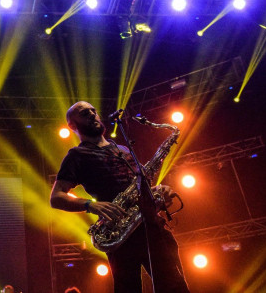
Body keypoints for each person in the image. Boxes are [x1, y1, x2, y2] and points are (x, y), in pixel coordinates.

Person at [50, 101, 190, 293]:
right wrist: (91, 205)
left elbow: (140, 187)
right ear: (72, 126)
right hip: (120, 233)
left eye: (93, 110)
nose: (92, 114)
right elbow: (56, 197)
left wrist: (160, 191)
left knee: (174, 287)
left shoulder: (123, 150)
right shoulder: (77, 155)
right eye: (84, 113)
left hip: (151, 226)